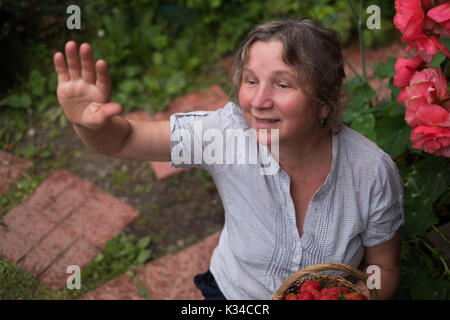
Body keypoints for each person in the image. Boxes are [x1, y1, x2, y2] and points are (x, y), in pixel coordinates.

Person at [53, 18, 404, 300]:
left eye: (283, 85)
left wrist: (356, 297)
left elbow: (382, 270)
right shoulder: (225, 135)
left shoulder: (371, 171)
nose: (258, 100)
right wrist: (88, 122)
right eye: (251, 81)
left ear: (324, 102)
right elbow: (126, 139)